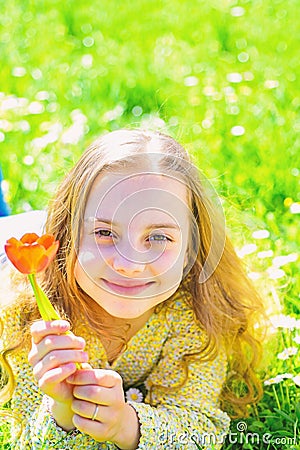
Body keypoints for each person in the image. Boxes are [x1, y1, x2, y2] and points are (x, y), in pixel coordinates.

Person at [0, 129, 264, 449]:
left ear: (191, 250)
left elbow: (199, 427)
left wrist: (127, 426)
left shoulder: (198, 314)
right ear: (66, 237)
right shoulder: (31, 316)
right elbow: (25, 440)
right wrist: (62, 411)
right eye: (104, 232)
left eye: (157, 237)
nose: (129, 264)